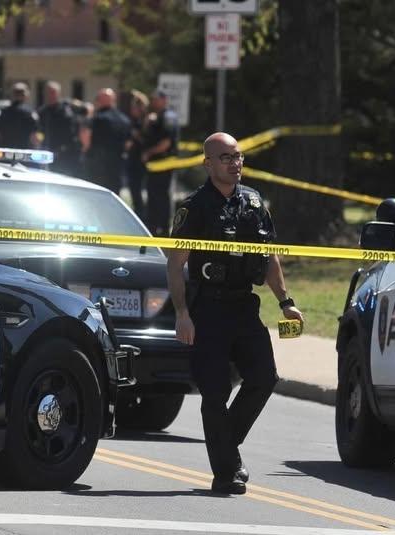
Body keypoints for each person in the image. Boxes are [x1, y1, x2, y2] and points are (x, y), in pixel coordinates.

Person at [167, 132, 304, 495]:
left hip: (244, 305)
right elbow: (175, 263)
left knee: (264, 377)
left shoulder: (254, 203)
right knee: (214, 393)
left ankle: (226, 445)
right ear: (207, 164)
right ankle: (226, 472)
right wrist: (182, 313)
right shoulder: (195, 207)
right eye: (226, 157)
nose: (235, 163)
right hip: (207, 309)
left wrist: (286, 302)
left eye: (238, 156)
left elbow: (269, 257)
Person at [141, 89, 179, 236]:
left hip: (163, 164)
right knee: (153, 195)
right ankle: (153, 227)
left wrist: (149, 153)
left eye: (156, 99)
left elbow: (166, 143)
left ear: (164, 100)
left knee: (161, 197)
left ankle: (162, 229)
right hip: (155, 165)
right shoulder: (157, 116)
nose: (153, 102)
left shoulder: (168, 117)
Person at [86, 88, 130, 193]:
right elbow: (128, 144)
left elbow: (86, 138)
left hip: (98, 165)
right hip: (117, 165)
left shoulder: (98, 118)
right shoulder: (125, 120)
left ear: (101, 100)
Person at [37, 81, 81, 176]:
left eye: (53, 92)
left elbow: (72, 132)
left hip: (65, 153)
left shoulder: (66, 110)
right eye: (48, 93)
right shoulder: (42, 112)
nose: (50, 95)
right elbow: (39, 131)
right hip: (47, 153)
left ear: (58, 94)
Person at [0, 82, 39, 149]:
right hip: (24, 151)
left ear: (12, 95)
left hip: (6, 151)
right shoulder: (30, 113)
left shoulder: (4, 112)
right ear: (25, 95)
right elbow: (34, 136)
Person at [126, 90, 150, 219]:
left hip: (139, 161)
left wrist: (136, 137)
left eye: (134, 107)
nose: (132, 109)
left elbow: (146, 141)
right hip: (132, 159)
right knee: (133, 189)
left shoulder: (145, 122)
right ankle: (138, 213)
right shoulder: (133, 121)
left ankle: (141, 215)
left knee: (137, 189)